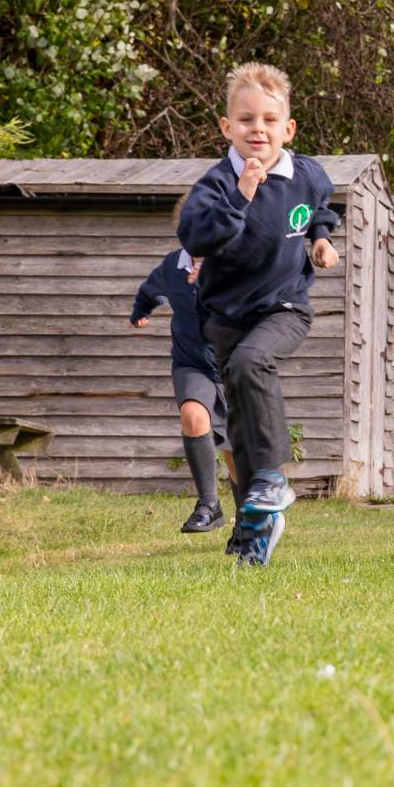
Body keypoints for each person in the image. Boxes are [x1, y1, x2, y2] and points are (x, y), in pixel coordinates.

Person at [177, 62, 340, 566]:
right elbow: (196, 235)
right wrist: (242, 194)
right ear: (227, 127)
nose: (258, 130)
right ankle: (254, 527)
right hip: (226, 316)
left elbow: (322, 205)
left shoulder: (305, 173)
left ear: (288, 129)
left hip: (286, 306)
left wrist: (321, 238)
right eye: (246, 120)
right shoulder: (215, 184)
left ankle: (271, 479)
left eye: (270, 120)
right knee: (241, 424)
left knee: (253, 363)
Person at [130, 231, 234, 534]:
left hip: (234, 365)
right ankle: (209, 505)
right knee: (193, 414)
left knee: (235, 450)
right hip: (192, 363)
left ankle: (249, 519)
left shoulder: (235, 262)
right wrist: (141, 311)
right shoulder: (173, 265)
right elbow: (149, 290)